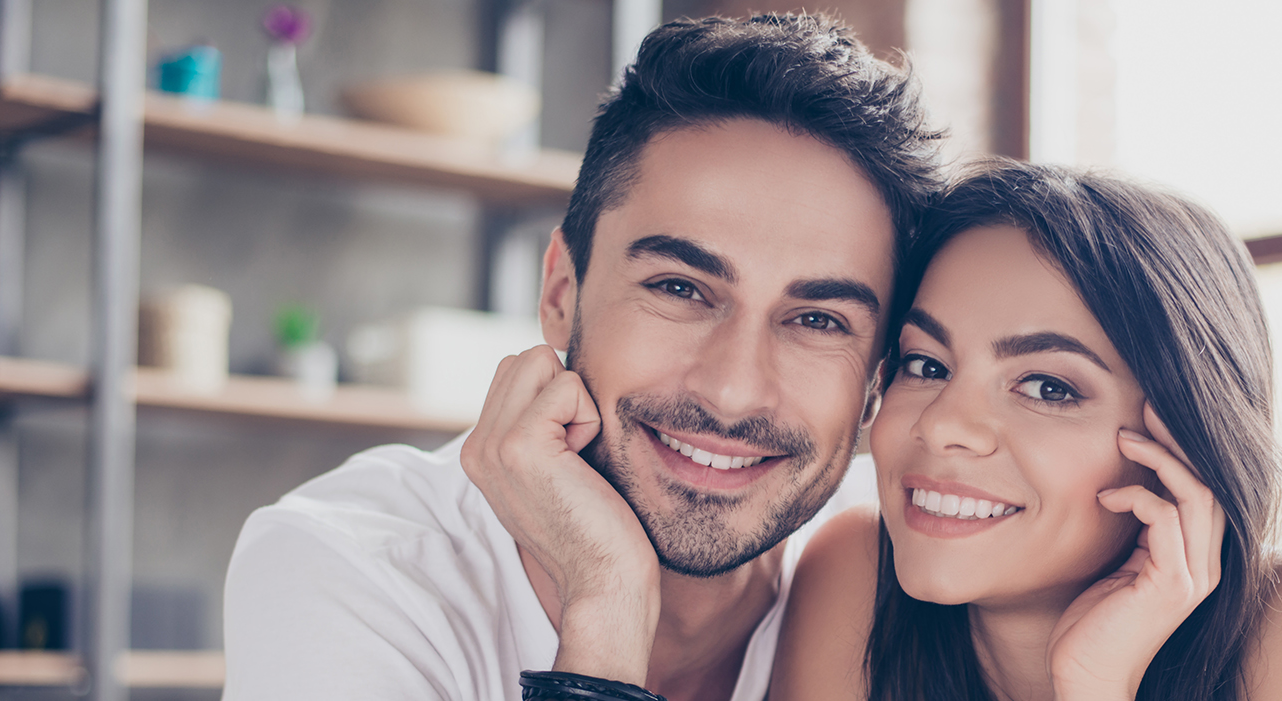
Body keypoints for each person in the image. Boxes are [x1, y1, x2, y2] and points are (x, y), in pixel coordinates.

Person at [221, 14, 939, 701]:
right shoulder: (347, 572)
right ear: (561, 291)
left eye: (817, 320)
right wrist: (607, 605)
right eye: (679, 288)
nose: (732, 391)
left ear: (879, 377)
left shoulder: (903, 574)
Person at [770, 161, 1282, 700]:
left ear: (1184, 438)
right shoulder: (856, 571)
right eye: (927, 365)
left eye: (1048, 387)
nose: (941, 426)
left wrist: (1097, 684)